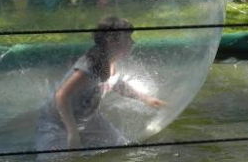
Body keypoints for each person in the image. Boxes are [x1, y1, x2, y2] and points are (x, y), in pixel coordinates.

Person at [35, 16, 166, 150]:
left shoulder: (110, 61)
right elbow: (61, 96)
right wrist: (73, 133)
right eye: (127, 38)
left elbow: (116, 84)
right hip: (59, 123)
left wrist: (146, 98)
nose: (133, 42)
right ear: (111, 41)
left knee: (123, 148)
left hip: (88, 119)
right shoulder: (90, 65)